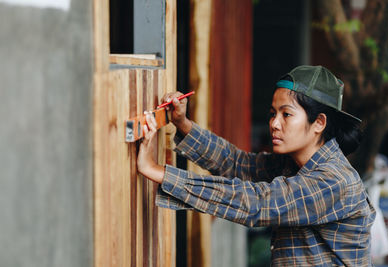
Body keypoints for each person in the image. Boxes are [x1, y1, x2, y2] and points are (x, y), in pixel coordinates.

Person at [137, 65, 376, 266]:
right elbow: (236, 163)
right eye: (273, 113)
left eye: (287, 115)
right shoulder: (293, 165)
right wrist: (182, 122)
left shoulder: (333, 180)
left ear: (319, 123)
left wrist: (157, 171)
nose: (274, 123)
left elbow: (258, 203)